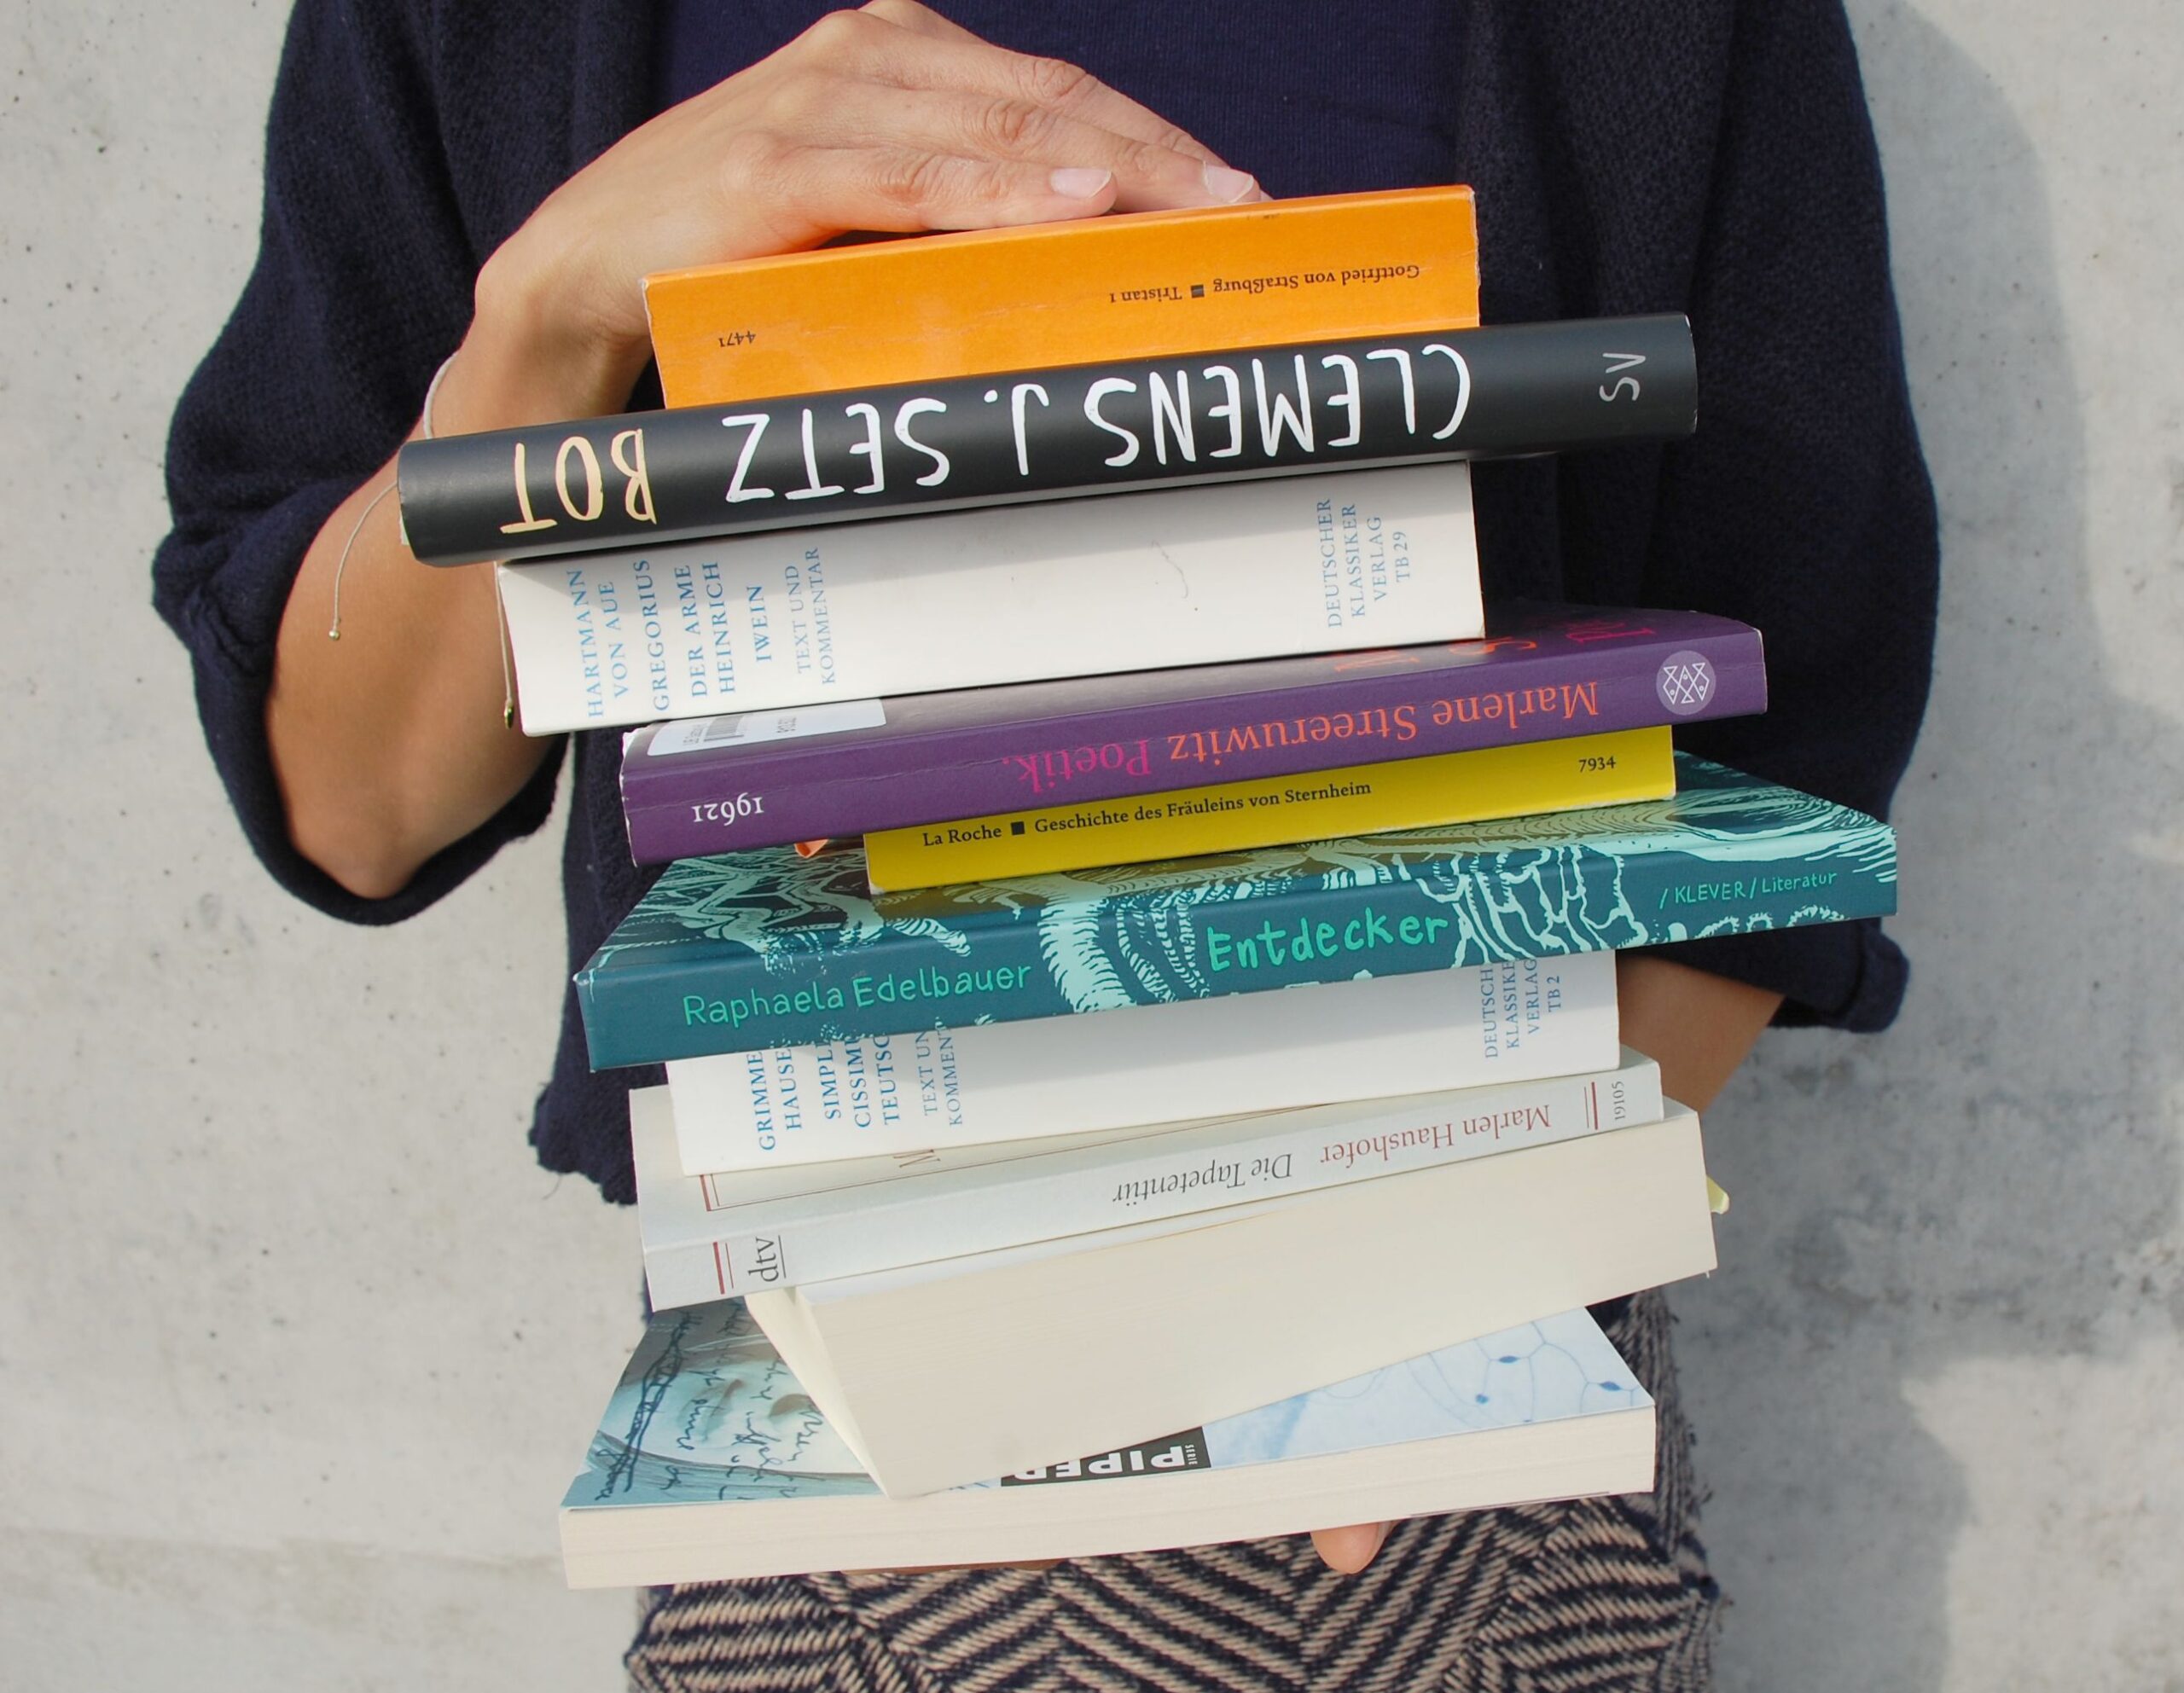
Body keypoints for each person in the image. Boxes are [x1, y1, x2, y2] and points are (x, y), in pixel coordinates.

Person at [152, 3, 1937, 1686]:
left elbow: (1786, 737)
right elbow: (353, 804)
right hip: (833, 1431)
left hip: (1439, 1437)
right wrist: (546, 316)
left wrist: (1407, 1300)